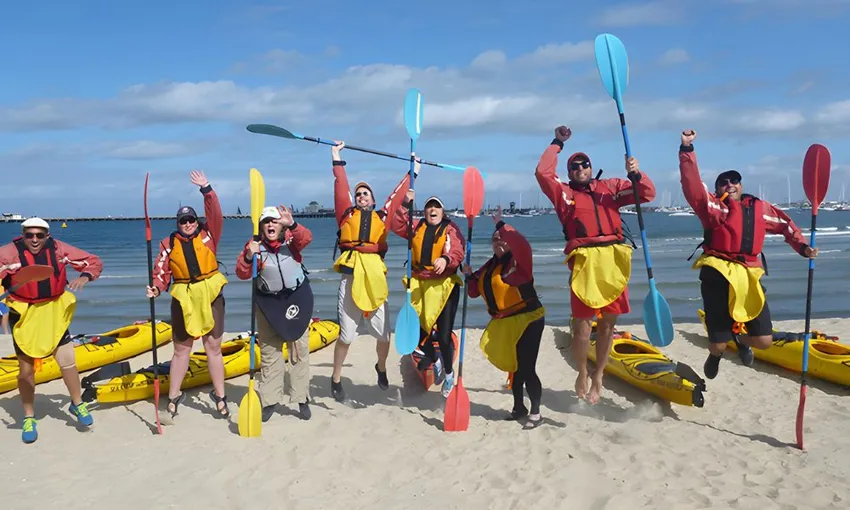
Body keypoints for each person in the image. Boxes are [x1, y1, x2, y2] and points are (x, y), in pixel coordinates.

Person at [678, 129, 817, 378]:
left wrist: (802, 247)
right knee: (717, 344)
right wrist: (687, 150)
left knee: (763, 340)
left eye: (734, 181)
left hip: (749, 274)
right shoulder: (712, 207)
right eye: (724, 181)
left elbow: (785, 226)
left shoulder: (759, 208)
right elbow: (691, 185)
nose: (729, 185)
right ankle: (717, 353)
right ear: (717, 188)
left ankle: (741, 341)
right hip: (717, 271)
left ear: (741, 185)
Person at [535, 125, 656, 404]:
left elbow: (647, 193)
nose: (580, 168)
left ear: (591, 167)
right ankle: (581, 371)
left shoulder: (610, 188)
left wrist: (636, 173)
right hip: (585, 262)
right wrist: (557, 142)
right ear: (569, 173)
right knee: (582, 328)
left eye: (584, 164)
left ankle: (599, 375)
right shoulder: (564, 195)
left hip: (613, 260)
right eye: (574, 166)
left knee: (607, 326)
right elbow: (542, 173)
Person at [0, 217, 103, 443]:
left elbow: (93, 261)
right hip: (26, 315)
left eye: (39, 235)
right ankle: (29, 417)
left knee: (68, 362)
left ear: (47, 235)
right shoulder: (8, 254)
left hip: (55, 312)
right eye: (29, 235)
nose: (34, 240)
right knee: (26, 372)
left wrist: (85, 276)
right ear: (23, 234)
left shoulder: (59, 249)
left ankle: (77, 404)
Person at [329, 141, 415, 402]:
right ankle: (335, 378)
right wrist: (336, 157)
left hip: (375, 278)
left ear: (373, 199)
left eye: (365, 194)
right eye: (358, 194)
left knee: (383, 334)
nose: (361, 196)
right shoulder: (345, 215)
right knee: (346, 334)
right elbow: (341, 187)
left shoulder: (383, 217)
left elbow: (397, 196)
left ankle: (381, 366)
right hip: (351, 277)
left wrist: (414, 171)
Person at [146, 170, 230, 418]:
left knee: (213, 347)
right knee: (182, 349)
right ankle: (173, 395)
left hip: (210, 291)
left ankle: (220, 395)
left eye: (191, 220)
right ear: (178, 224)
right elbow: (161, 272)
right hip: (184, 296)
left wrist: (207, 189)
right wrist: (156, 287)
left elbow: (215, 213)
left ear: (196, 220)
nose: (188, 224)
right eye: (183, 221)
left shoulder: (209, 234)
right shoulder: (167, 244)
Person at [463, 208, 546, 428]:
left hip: (529, 318)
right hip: (506, 321)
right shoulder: (490, 266)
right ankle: (519, 407)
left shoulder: (520, 261)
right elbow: (473, 292)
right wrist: (470, 275)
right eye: (495, 240)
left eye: (502, 240)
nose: (499, 242)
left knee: (527, 367)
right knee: (516, 366)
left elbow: (521, 244)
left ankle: (536, 413)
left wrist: (501, 226)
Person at [235, 204, 314, 422]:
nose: (271, 225)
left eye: (275, 221)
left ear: (281, 225)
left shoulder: (291, 239)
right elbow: (241, 272)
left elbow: (306, 239)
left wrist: (293, 224)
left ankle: (301, 398)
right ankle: (270, 400)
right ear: (261, 226)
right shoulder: (254, 246)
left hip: (296, 299)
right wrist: (249, 257)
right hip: (268, 303)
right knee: (270, 354)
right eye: (266, 222)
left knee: (299, 351)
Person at [391, 191, 466, 397]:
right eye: (429, 207)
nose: (432, 210)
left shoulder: (450, 228)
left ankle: (449, 374)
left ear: (443, 211)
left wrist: (446, 259)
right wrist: (405, 202)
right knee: (418, 331)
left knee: (443, 334)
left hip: (444, 286)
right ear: (424, 211)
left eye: (437, 207)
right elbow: (396, 223)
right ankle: (435, 357)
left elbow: (458, 250)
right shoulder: (416, 226)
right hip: (420, 284)